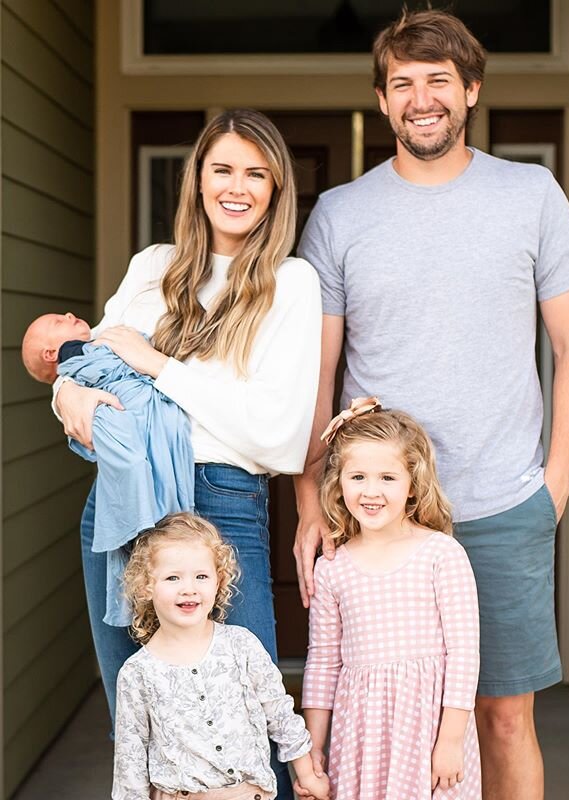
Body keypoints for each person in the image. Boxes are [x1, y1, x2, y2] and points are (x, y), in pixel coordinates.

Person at [294, 9, 569, 800]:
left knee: (502, 719)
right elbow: (315, 376)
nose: (421, 98)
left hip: (503, 506)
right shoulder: (338, 213)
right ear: (381, 99)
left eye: (438, 81)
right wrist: (308, 502)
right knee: (383, 718)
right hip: (378, 518)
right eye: (403, 83)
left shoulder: (530, 194)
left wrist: (552, 490)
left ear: (470, 90)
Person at [54, 108, 322, 799]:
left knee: (254, 720)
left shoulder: (290, 284)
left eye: (257, 173)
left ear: (275, 189)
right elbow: (88, 365)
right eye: (223, 169)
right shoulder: (152, 268)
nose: (238, 186)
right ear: (197, 180)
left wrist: (158, 366)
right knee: (139, 718)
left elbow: (280, 432)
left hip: (220, 502)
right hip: (119, 504)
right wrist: (67, 398)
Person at [302, 400, 480, 799]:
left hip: (430, 732)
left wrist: (451, 740)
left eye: (387, 477)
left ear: (413, 484)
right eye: (358, 476)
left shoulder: (441, 554)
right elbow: (323, 661)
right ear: (339, 483)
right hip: (361, 737)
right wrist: (314, 746)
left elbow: (465, 655)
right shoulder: (332, 568)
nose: (371, 491)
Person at [113, 512, 330, 800]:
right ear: (146, 586)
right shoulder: (138, 672)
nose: (189, 588)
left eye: (201, 576)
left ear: (219, 581)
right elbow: (130, 760)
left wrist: (307, 775)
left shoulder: (241, 646)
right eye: (172, 577)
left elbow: (280, 715)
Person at [23, 311, 194, 626]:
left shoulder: (90, 347)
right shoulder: (75, 355)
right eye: (58, 322)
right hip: (120, 409)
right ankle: (146, 528)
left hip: (134, 405)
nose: (70, 314)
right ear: (52, 354)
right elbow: (103, 363)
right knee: (131, 463)